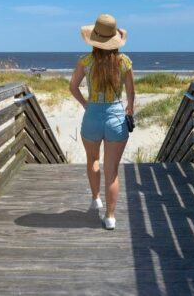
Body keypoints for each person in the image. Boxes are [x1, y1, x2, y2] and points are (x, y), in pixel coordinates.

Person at [69, 14, 134, 230]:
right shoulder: (124, 61)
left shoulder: (86, 61)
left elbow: (73, 87)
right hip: (116, 116)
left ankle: (96, 197)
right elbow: (131, 93)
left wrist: (87, 104)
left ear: (94, 39)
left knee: (93, 160)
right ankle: (110, 217)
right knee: (112, 170)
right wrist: (129, 108)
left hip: (92, 116)